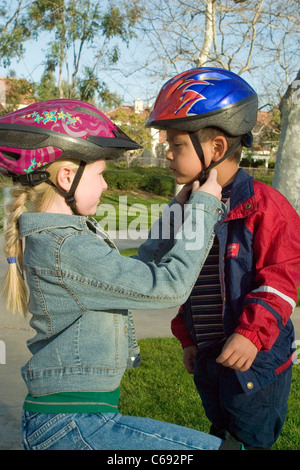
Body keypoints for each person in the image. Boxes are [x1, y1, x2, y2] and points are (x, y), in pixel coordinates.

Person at [0, 98, 232, 451]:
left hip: (75, 421)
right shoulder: (66, 247)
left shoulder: (64, 239)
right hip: (74, 425)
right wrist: (204, 207)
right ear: (67, 178)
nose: (106, 186)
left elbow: (139, 266)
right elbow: (168, 286)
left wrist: (177, 210)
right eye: (100, 175)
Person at [146, 67, 300, 450]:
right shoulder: (187, 208)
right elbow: (183, 277)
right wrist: (186, 338)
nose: (167, 152)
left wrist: (252, 333)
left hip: (254, 361)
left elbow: (281, 278)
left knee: (248, 435)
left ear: (215, 148)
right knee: (220, 432)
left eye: (176, 144)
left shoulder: (264, 206)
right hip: (210, 356)